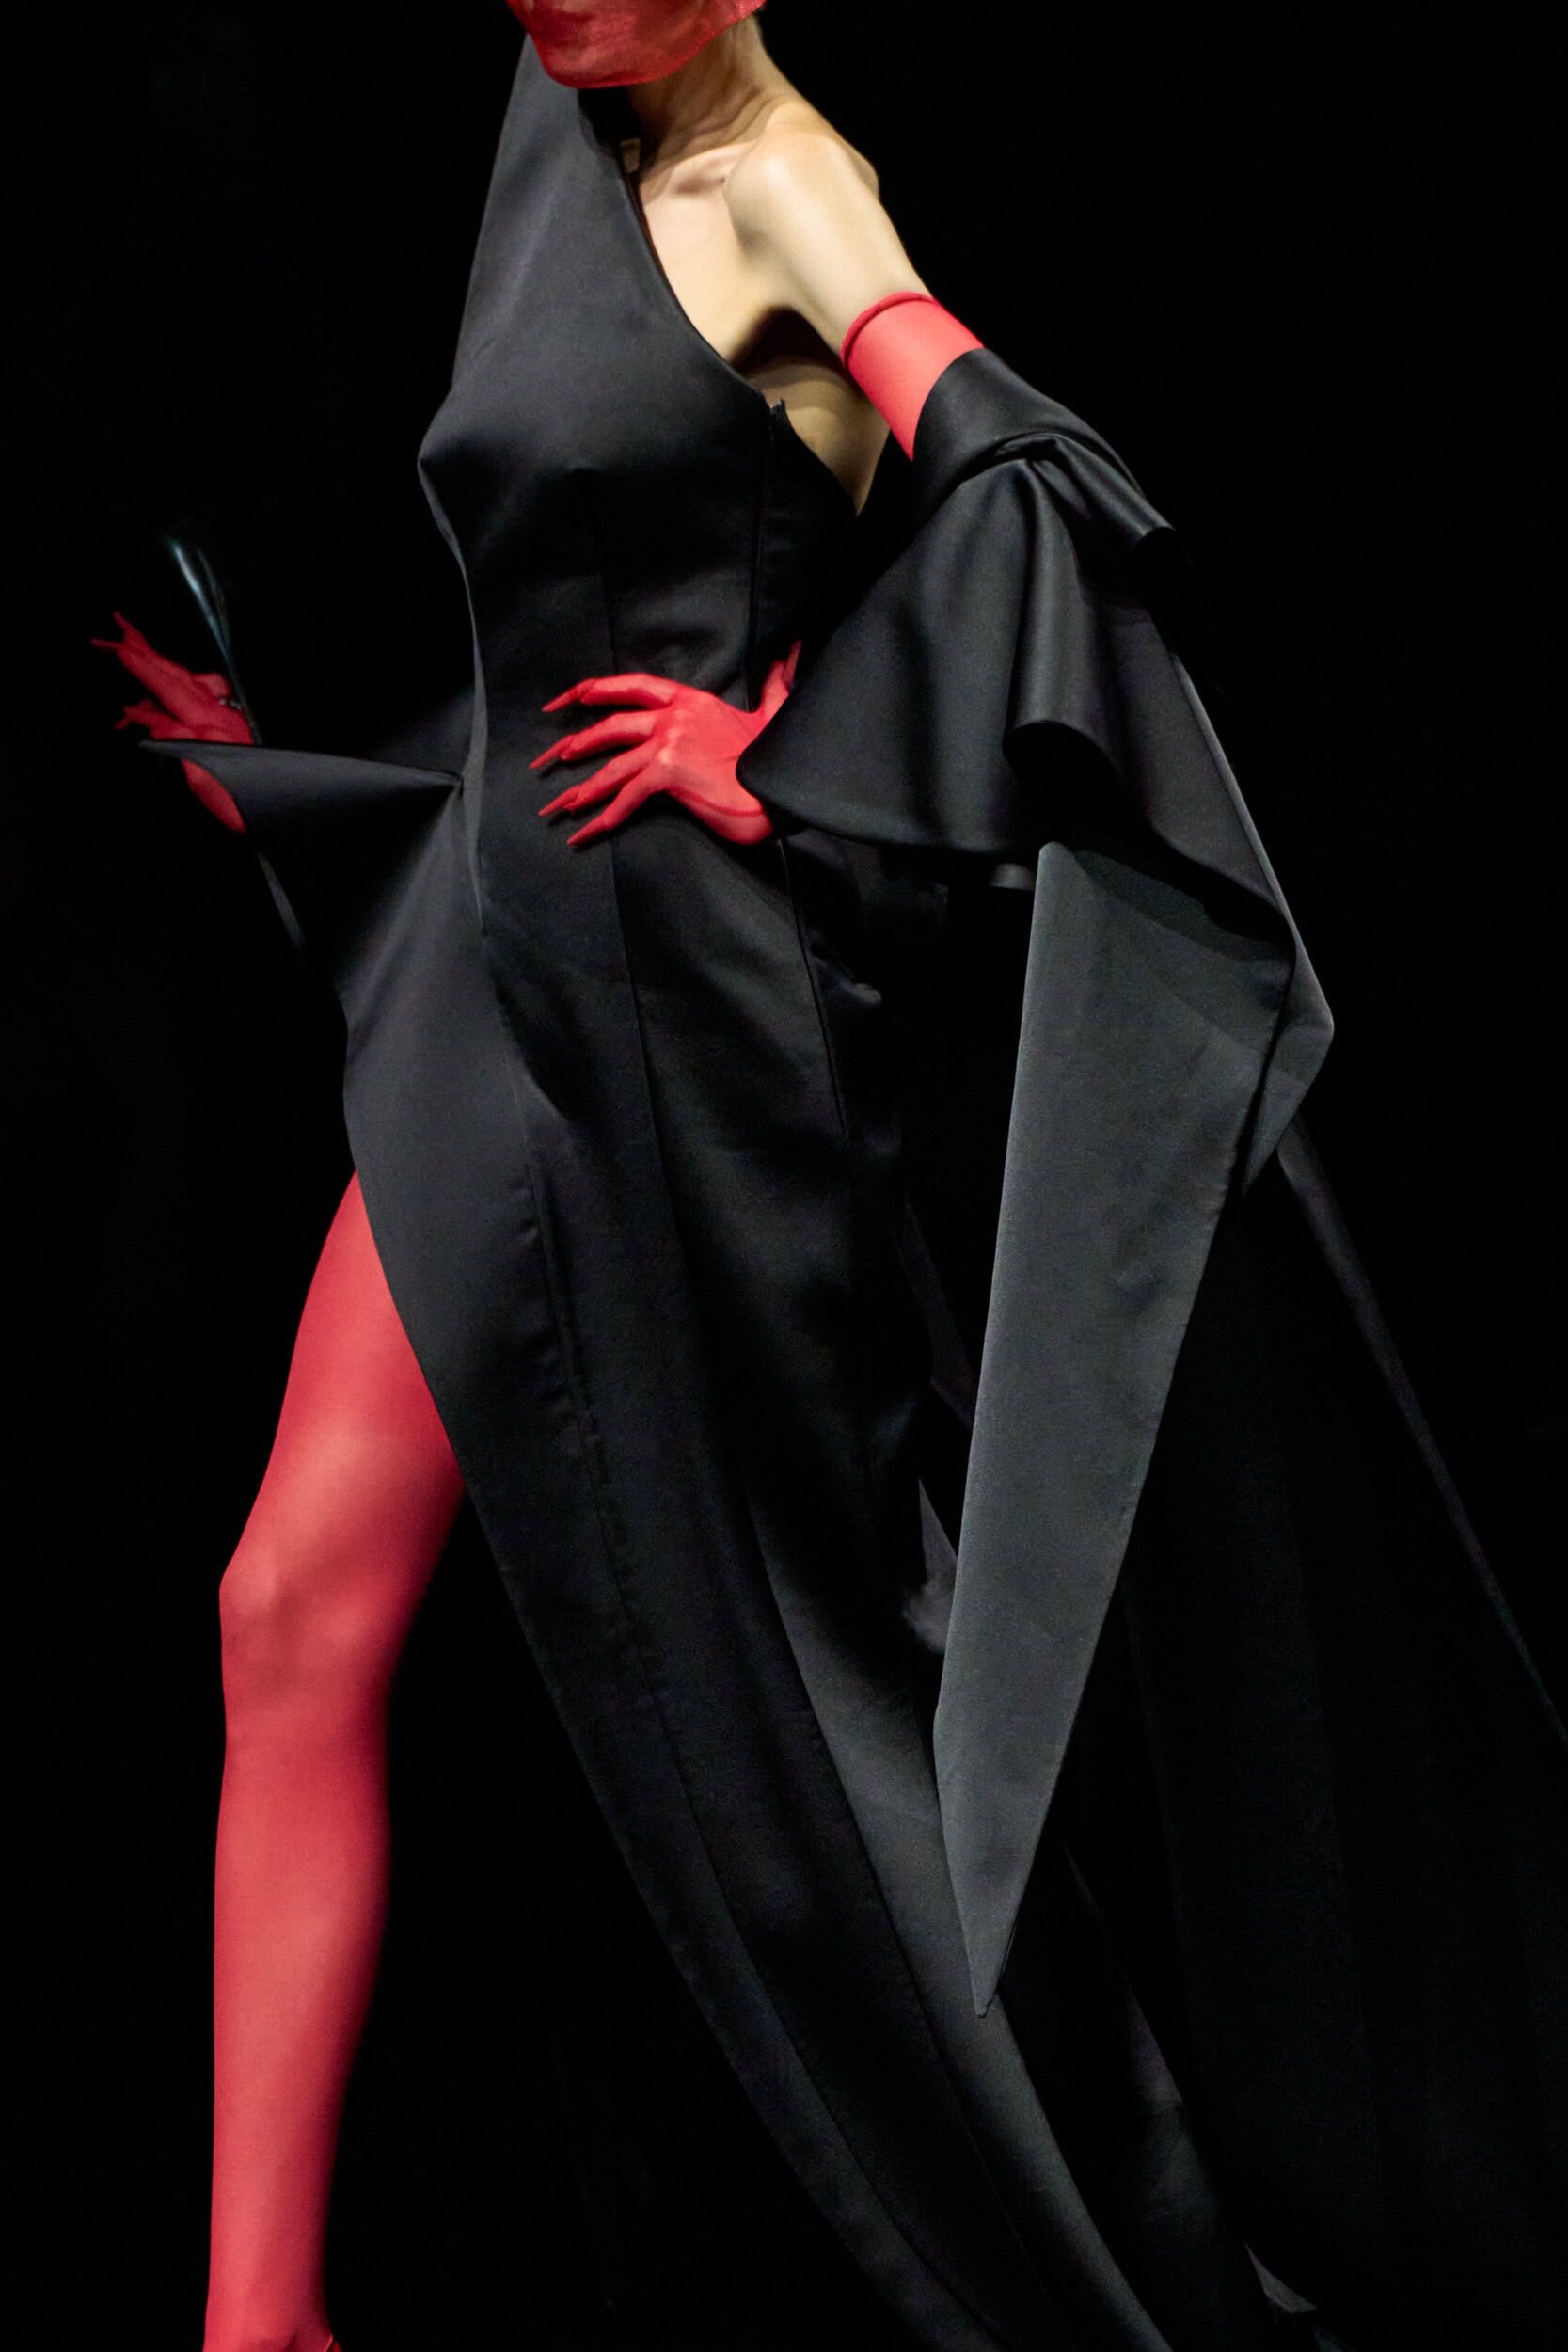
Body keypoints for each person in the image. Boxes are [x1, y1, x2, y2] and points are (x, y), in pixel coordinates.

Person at [100, 7, 1566, 2350]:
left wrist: (799, 755)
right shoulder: (558, 127)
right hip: (496, 966)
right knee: (282, 1608)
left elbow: (1037, 487)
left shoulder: (785, 179)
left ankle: (1133, 2274)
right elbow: (559, 611)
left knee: (818, 1732)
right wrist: (305, 775)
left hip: (677, 1013)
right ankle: (257, 2319)